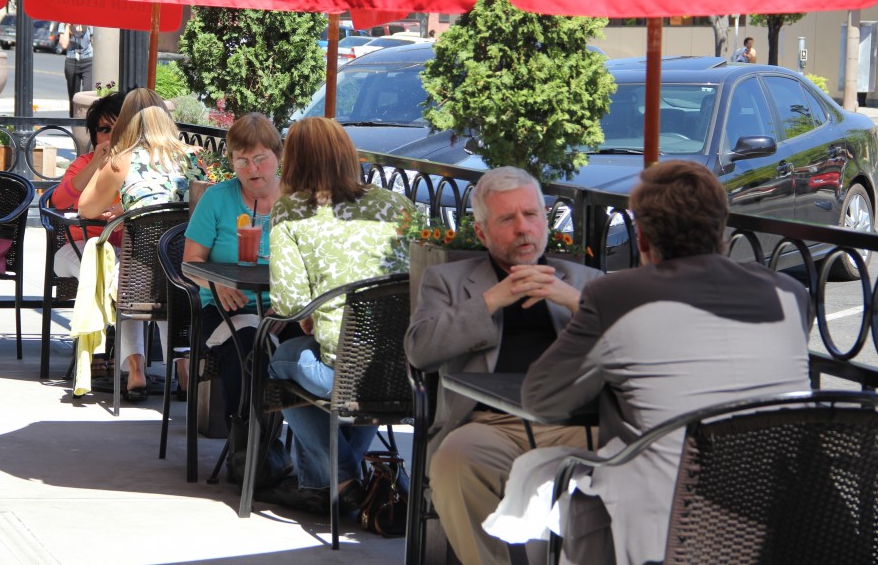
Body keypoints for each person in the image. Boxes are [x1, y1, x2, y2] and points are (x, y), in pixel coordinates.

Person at [486, 160, 812, 565]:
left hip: (667, 525)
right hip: (784, 518)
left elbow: (540, 400)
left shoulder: (616, 295)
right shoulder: (790, 294)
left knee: (574, 490)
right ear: (722, 228)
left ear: (641, 238)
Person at [404, 166, 603, 565]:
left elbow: (632, 347)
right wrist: (490, 301)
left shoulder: (587, 281)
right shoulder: (447, 280)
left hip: (578, 426)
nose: (523, 228)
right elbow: (419, 350)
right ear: (482, 233)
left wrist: (572, 301)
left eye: (531, 215)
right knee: (453, 463)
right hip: (489, 427)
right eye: (507, 219)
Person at [259, 117, 416, 513]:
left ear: (293, 161)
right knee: (370, 382)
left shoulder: (291, 211)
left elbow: (290, 303)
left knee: (278, 360)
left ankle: (342, 479)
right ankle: (336, 484)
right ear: (349, 155)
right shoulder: (397, 204)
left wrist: (313, 315)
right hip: (406, 367)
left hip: (338, 370)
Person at [78, 87, 204, 401]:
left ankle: (135, 370)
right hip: (188, 274)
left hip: (140, 280)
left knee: (126, 274)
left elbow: (86, 209)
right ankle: (185, 369)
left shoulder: (122, 160)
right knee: (160, 285)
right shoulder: (194, 156)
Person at [183, 112, 301, 427]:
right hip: (226, 309)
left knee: (315, 351)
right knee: (248, 348)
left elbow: (314, 265)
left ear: (278, 156)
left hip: (284, 310)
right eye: (241, 161)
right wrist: (216, 286)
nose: (252, 169)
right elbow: (190, 263)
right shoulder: (217, 199)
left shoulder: (297, 201)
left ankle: (306, 449)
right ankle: (248, 445)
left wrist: (290, 303)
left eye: (260, 159)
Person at [50, 91, 126, 278]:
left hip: (125, 249)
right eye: (105, 130)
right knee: (100, 270)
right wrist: (96, 164)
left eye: (119, 128)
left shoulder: (138, 165)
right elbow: (58, 201)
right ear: (95, 136)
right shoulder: (84, 163)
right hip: (79, 246)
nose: (112, 136)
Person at [60, 24, 93, 114]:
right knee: (73, 96)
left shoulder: (89, 22)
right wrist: (67, 27)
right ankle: (74, 122)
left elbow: (94, 41)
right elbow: (64, 44)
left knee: (88, 92)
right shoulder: (63, 24)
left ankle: (87, 119)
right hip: (71, 61)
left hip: (88, 61)